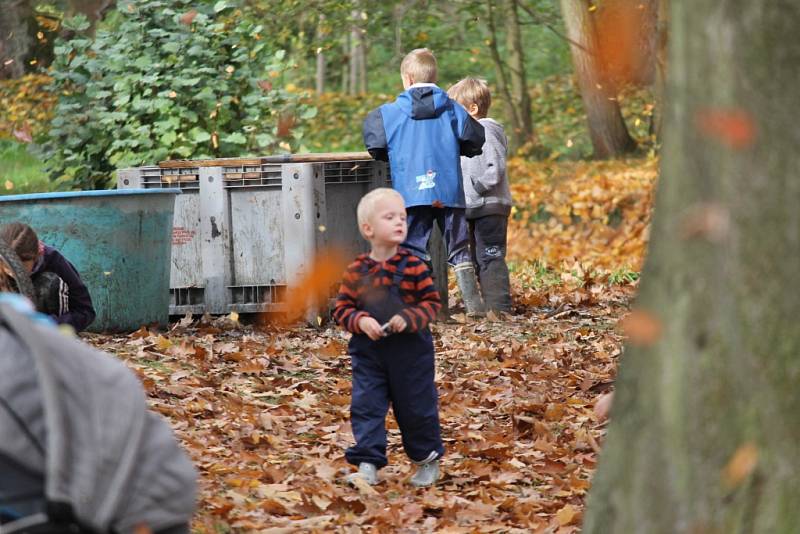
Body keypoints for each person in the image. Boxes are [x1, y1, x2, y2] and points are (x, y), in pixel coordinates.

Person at [333, 188, 444, 487]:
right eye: (390, 217)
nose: (399, 222)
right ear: (368, 229)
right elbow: (341, 308)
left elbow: (431, 305)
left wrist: (408, 318)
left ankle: (427, 460)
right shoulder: (357, 270)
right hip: (369, 355)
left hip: (411, 356)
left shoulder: (414, 266)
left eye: (403, 217)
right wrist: (361, 319)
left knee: (416, 408)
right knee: (366, 405)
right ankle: (368, 462)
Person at [362, 48, 486, 315]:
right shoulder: (454, 110)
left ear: (407, 78)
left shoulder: (387, 114)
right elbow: (475, 139)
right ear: (435, 75)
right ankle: (474, 306)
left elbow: (375, 146)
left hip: (411, 193)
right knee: (459, 246)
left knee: (413, 249)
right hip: (448, 190)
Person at [447, 77, 513, 313]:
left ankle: (500, 308)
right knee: (476, 258)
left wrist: (477, 187)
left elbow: (496, 166)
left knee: (490, 256)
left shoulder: (487, 130)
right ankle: (486, 307)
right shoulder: (466, 136)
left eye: (456, 110)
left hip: (490, 205)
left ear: (472, 109)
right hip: (473, 206)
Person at [0, 222, 96, 332]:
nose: (14, 273)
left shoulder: (54, 261)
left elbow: (85, 311)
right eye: (8, 268)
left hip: (47, 328)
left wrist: (51, 324)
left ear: (36, 256)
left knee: (50, 282)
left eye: (22, 269)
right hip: (9, 328)